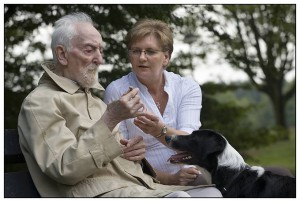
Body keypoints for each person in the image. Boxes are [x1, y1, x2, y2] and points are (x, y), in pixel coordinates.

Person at [17, 12, 222, 197]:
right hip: (96, 193)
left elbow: (116, 155)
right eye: (90, 50)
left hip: (134, 186)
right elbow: (64, 168)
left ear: (166, 57)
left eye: (100, 50)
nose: (99, 59)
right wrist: (110, 118)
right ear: (62, 54)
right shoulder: (39, 103)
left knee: (211, 194)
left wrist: (136, 154)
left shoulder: (93, 101)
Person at [104, 19, 209, 186]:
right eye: (136, 51)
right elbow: (121, 157)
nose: (142, 57)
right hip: (141, 182)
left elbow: (191, 144)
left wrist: (160, 131)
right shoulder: (117, 91)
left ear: (166, 57)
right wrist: (170, 179)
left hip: (189, 175)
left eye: (150, 52)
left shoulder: (187, 87)